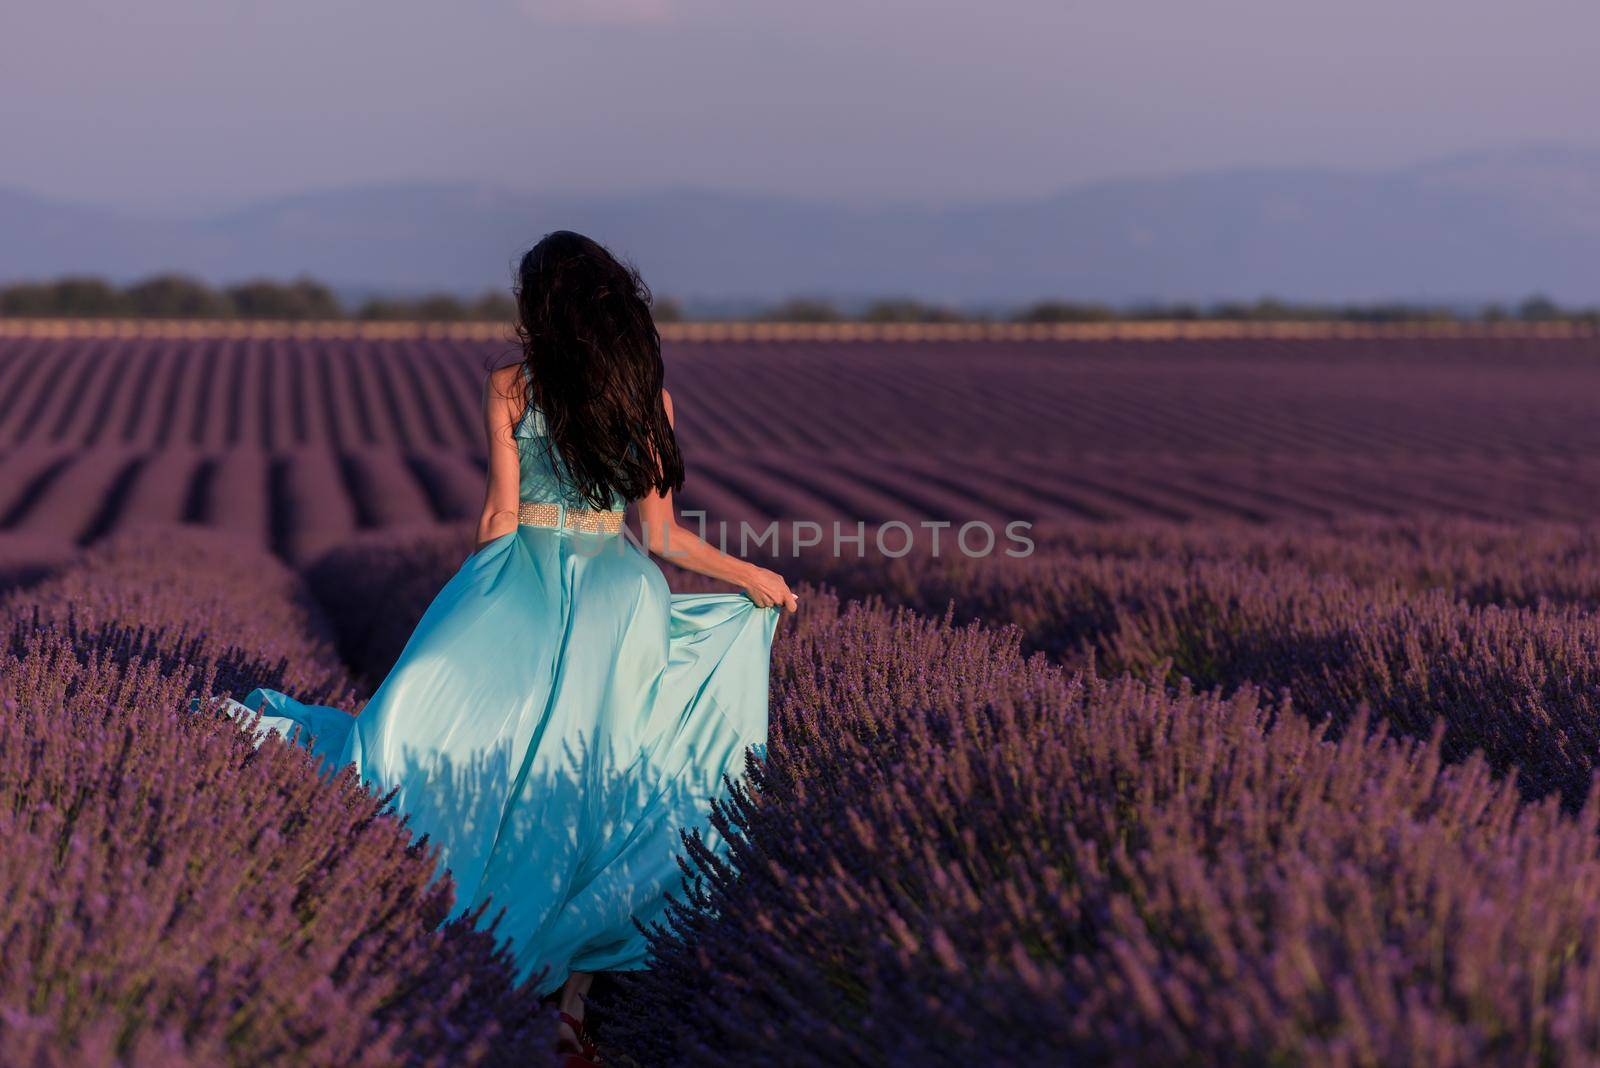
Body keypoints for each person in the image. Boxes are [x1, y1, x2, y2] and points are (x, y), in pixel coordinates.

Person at [228, 231, 797, 1064]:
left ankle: (469, 946)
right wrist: (751, 577)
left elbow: (498, 516)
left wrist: (467, 600)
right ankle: (572, 999)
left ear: (539, 307)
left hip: (523, 584)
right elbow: (666, 537)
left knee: (456, 739)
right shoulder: (647, 396)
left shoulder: (509, 385)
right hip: (617, 598)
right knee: (595, 779)